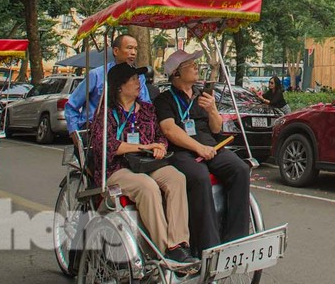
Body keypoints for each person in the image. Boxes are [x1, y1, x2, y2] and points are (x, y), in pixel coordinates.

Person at [90, 62, 196, 265]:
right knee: (147, 187)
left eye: (138, 78)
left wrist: (160, 147)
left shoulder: (147, 109)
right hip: (118, 168)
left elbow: (160, 136)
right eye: (132, 79)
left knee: (176, 178)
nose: (138, 83)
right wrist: (143, 147)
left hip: (148, 164)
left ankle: (179, 244)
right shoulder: (106, 112)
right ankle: (163, 249)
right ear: (120, 86)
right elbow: (106, 145)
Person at [154, 50, 251, 254]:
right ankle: (207, 245)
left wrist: (213, 110)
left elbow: (216, 128)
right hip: (182, 152)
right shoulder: (164, 100)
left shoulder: (202, 96)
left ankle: (236, 237)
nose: (196, 67)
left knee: (240, 169)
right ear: (177, 74)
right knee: (199, 178)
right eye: (190, 65)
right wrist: (198, 148)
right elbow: (169, 130)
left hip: (211, 145)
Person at [64, 34, 151, 133]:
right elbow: (72, 105)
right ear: (116, 51)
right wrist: (74, 131)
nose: (133, 53)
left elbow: (146, 104)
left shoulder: (139, 77)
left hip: (127, 131)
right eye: (129, 48)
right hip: (93, 131)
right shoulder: (96, 75)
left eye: (135, 49)